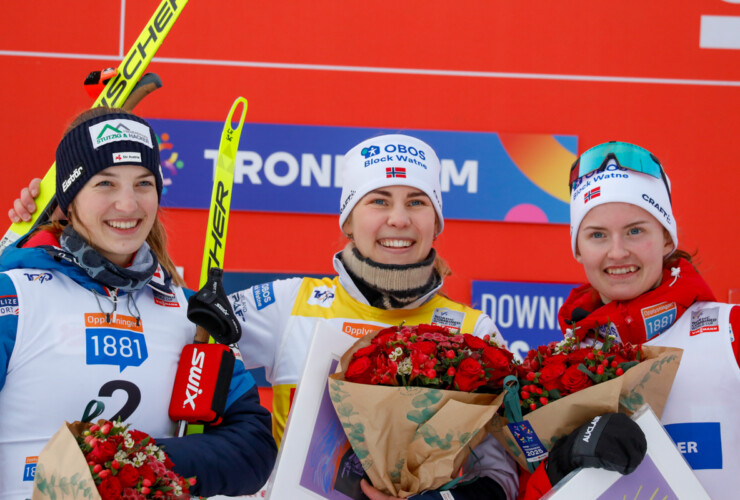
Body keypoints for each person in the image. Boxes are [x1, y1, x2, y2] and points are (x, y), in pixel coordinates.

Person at [7, 133, 520, 499]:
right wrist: (31, 235)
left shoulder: (475, 331)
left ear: (437, 220)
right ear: (348, 218)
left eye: (417, 202)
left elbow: (505, 470)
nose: (399, 219)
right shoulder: (290, 301)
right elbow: (182, 327)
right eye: (378, 200)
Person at [0, 107, 277, 499]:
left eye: (143, 184)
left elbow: (252, 448)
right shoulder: (14, 298)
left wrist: (135, 463)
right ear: (70, 197)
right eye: (105, 184)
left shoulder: (188, 312)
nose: (128, 206)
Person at [523, 141, 739, 499]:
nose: (617, 251)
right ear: (578, 248)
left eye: (636, 230)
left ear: (667, 237)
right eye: (597, 235)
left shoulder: (730, 334)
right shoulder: (556, 370)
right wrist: (561, 464)